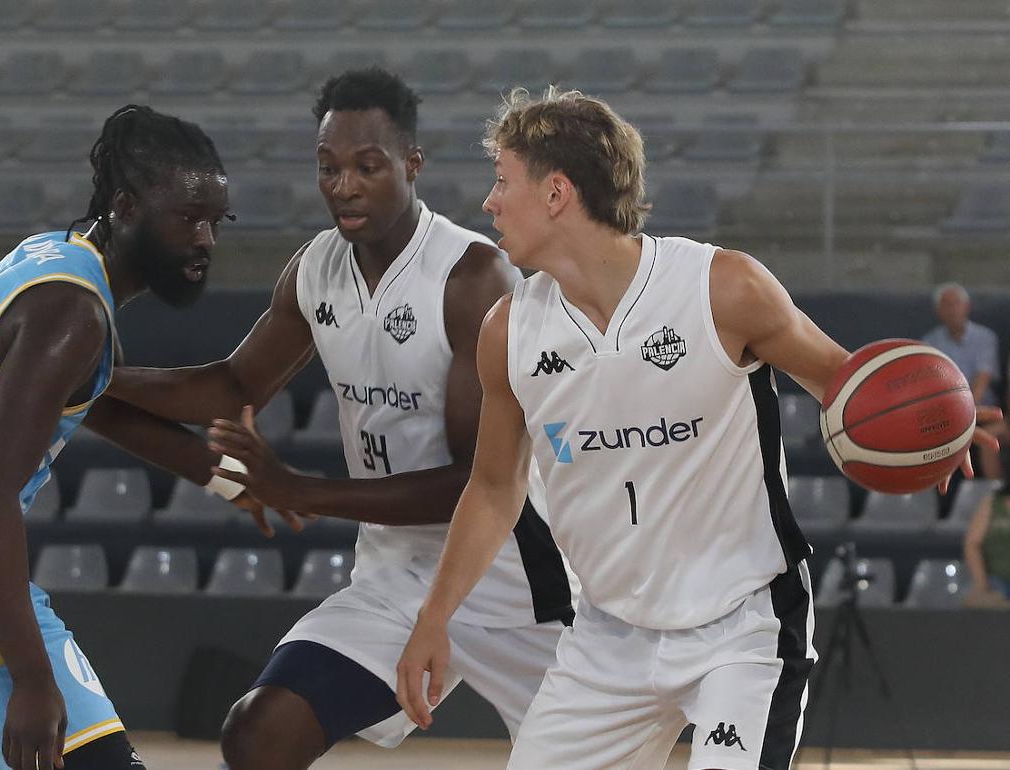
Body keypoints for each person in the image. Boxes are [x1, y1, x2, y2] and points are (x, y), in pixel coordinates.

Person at [395, 87, 1004, 770]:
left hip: (740, 628)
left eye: (503, 181)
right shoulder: (507, 333)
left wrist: (937, 422)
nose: (489, 202)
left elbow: (846, 385)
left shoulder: (723, 288)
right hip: (605, 636)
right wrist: (434, 616)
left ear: (557, 192)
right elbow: (492, 487)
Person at [106, 69, 577, 770]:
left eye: (368, 165)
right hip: (395, 579)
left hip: (517, 585)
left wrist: (301, 491)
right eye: (328, 168)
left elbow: (473, 484)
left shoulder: (471, 279)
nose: (345, 185)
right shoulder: (315, 269)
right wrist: (94, 379)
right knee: (260, 734)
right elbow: (233, 385)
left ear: (411, 164)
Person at [0, 105, 266, 770]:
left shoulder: (53, 260)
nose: (206, 238)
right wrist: (34, 682)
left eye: (217, 220)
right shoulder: (75, 310)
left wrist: (225, 478)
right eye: (188, 218)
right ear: (126, 207)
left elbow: (85, 403)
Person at [923, 282, 1005, 480]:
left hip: (984, 412)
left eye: (956, 303)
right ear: (938, 311)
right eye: (946, 305)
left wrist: (966, 413)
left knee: (990, 439)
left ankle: (995, 500)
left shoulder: (985, 337)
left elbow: (982, 378)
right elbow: (932, 387)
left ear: (966, 307)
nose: (952, 309)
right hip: (945, 415)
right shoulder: (929, 343)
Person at [964, 490, 1010, 607]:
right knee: (975, 602)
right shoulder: (993, 503)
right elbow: (972, 544)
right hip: (996, 580)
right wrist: (982, 586)